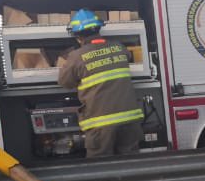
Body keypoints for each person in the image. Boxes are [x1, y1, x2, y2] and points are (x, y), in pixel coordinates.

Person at [57, 9, 143, 158]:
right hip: (129, 120)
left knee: (101, 167)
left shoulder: (76, 57)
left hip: (101, 125)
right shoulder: (119, 48)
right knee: (131, 164)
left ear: (78, 36)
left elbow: (65, 82)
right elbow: (127, 57)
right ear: (98, 29)